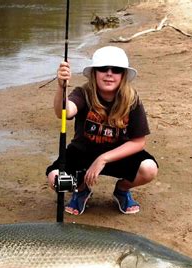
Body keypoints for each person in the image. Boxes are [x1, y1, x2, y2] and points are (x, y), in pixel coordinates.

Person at [46, 46, 158, 215]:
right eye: (103, 69)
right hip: (82, 153)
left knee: (149, 169)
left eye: (116, 70)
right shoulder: (83, 93)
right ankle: (81, 189)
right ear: (94, 73)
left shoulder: (132, 100)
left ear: (123, 75)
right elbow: (64, 112)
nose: (109, 73)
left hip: (119, 155)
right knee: (55, 178)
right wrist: (62, 87)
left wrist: (103, 159)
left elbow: (139, 142)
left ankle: (122, 189)